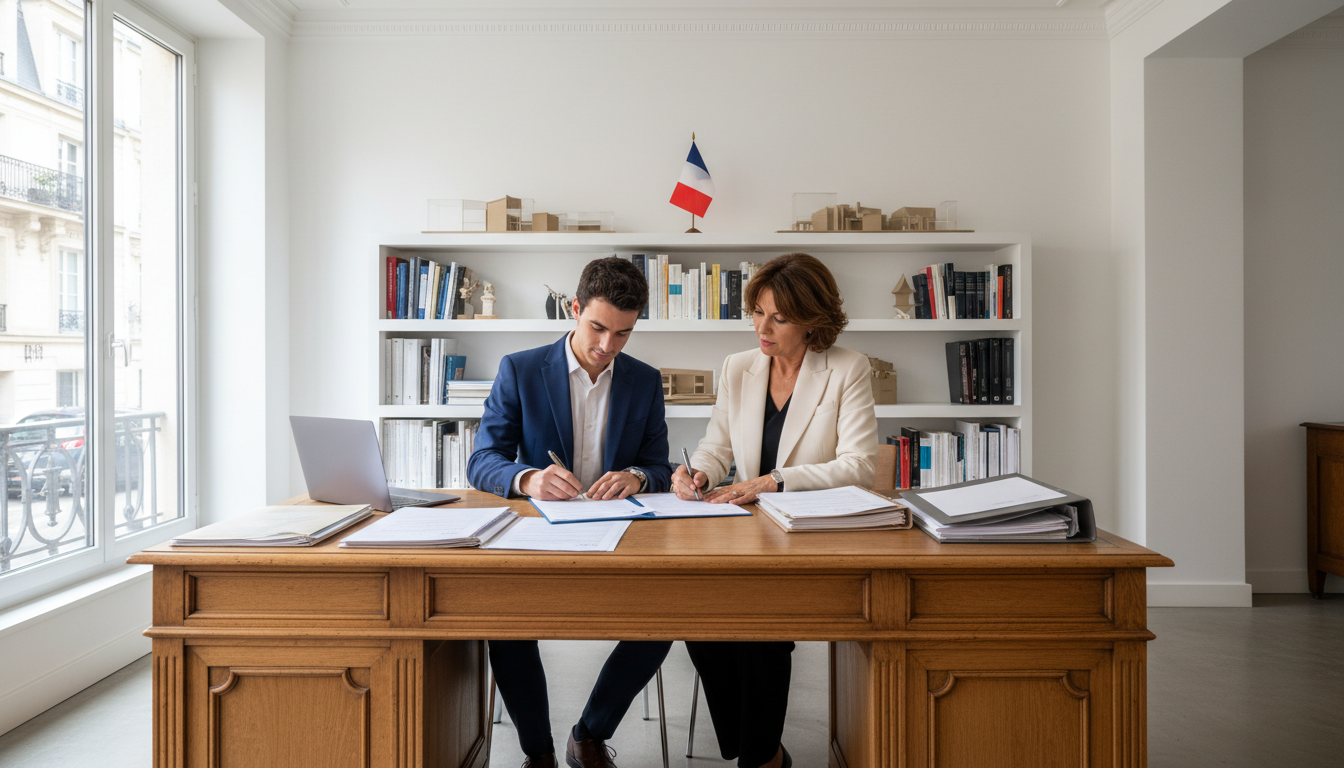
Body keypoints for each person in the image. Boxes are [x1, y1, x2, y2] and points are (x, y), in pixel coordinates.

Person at [671, 252, 878, 768]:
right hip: (739, 530)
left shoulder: (848, 368)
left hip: (809, 536)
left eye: (779, 318)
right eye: (758, 312)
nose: (762, 328)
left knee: (762, 633)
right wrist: (698, 472)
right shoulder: (739, 367)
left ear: (813, 320)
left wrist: (773, 481)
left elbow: (859, 466)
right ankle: (761, 752)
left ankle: (758, 758)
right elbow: (717, 447)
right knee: (701, 626)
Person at [468, 257, 674, 768]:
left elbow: (659, 467)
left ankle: (588, 735)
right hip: (541, 535)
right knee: (506, 625)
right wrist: (528, 478)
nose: (607, 347)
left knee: (665, 618)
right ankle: (538, 753)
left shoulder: (644, 382)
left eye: (623, 335)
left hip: (621, 536)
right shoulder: (519, 369)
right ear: (574, 308)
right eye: (598, 328)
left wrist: (639, 477)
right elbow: (481, 461)